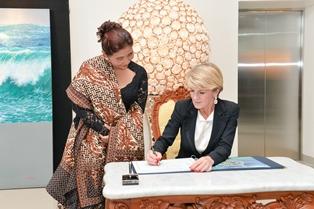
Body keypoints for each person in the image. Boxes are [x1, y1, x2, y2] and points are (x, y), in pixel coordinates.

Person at [46, 20, 148, 209]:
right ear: (105, 56)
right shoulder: (90, 68)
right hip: (91, 132)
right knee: (88, 162)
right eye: (119, 58)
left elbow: (137, 110)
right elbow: (77, 102)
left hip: (125, 137)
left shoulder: (140, 73)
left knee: (125, 187)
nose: (126, 61)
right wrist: (102, 129)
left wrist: (117, 136)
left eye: (130, 54)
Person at [147, 63, 239, 172]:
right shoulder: (182, 107)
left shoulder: (230, 110)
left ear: (216, 91)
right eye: (192, 91)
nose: (195, 97)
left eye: (201, 92)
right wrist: (155, 151)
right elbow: (166, 139)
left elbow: (225, 146)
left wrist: (210, 159)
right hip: (186, 170)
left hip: (214, 169)